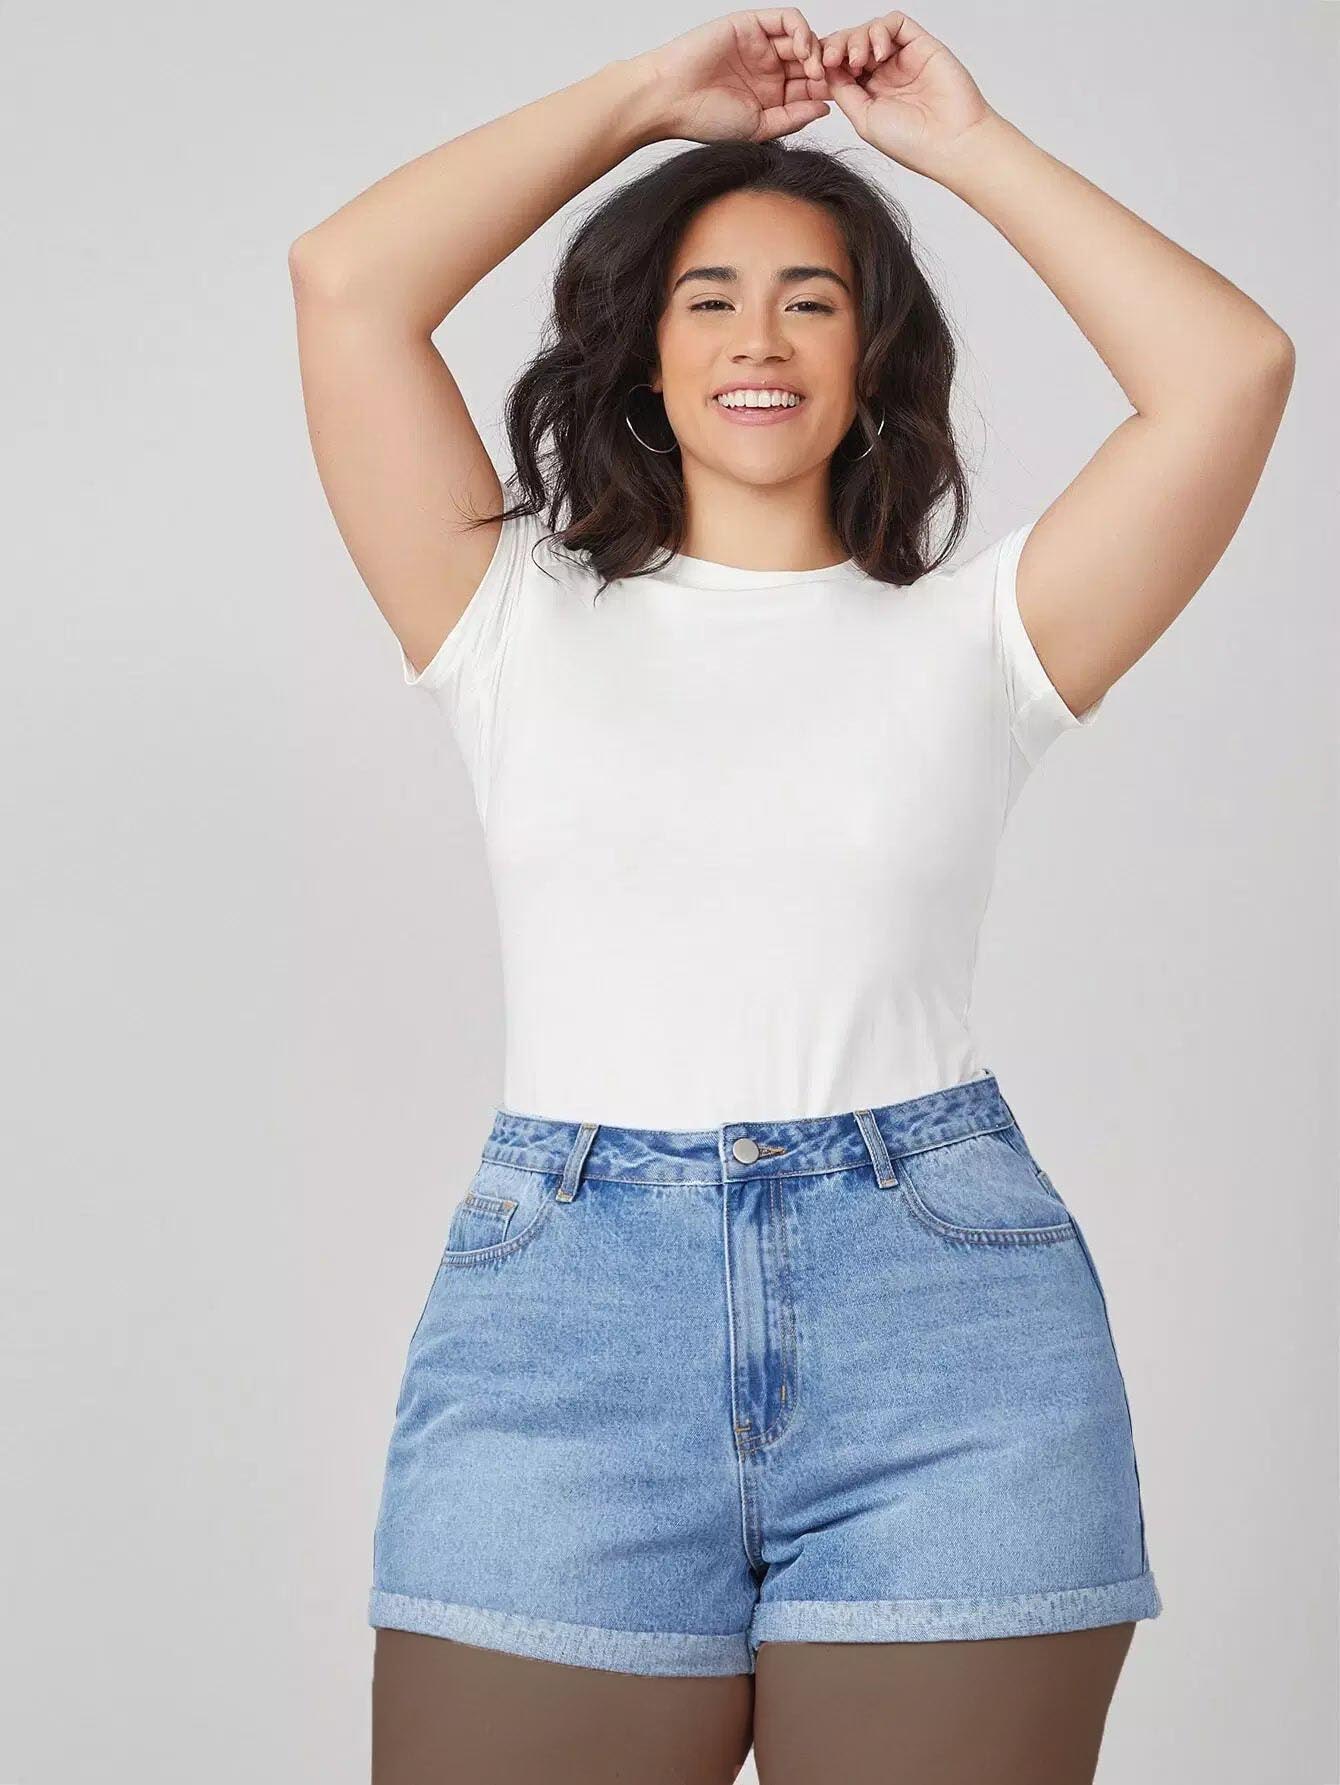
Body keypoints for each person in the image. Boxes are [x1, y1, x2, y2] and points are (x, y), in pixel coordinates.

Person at [289, 11, 1294, 1781]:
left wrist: (962, 148)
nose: (759, 336)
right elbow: (346, 283)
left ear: (871, 358)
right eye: (709, 299)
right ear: (641, 354)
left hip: (949, 1348)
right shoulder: (505, 617)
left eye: (812, 301)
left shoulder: (988, 634)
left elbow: (1233, 368)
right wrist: (642, 103)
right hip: (563, 1349)